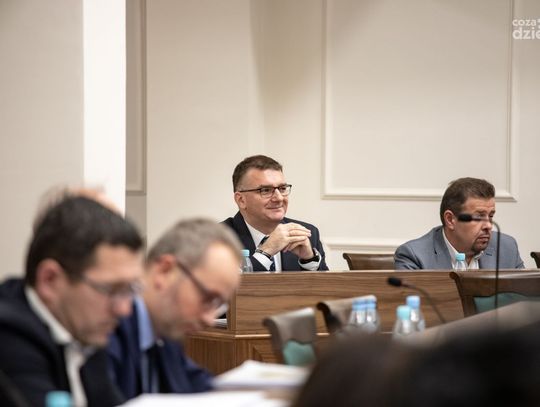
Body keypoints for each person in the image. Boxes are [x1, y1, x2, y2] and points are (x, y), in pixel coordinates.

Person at [0, 196, 144, 407]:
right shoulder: (9, 335)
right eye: (110, 290)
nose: (124, 309)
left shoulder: (83, 331)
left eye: (130, 290)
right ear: (50, 280)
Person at [107, 218, 242, 399]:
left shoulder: (165, 330)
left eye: (218, 305)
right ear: (165, 271)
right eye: (208, 299)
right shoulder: (108, 328)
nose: (209, 319)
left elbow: (197, 384)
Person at [223, 155, 328, 272]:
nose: (279, 198)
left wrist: (309, 260)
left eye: (282, 188)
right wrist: (265, 252)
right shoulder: (217, 240)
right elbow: (226, 282)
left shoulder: (306, 233)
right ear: (241, 200)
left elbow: (328, 284)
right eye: (266, 190)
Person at [394, 177, 524, 270]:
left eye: (490, 216)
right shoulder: (414, 256)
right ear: (450, 220)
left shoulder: (507, 248)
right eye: (478, 217)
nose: (488, 226)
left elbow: (523, 298)